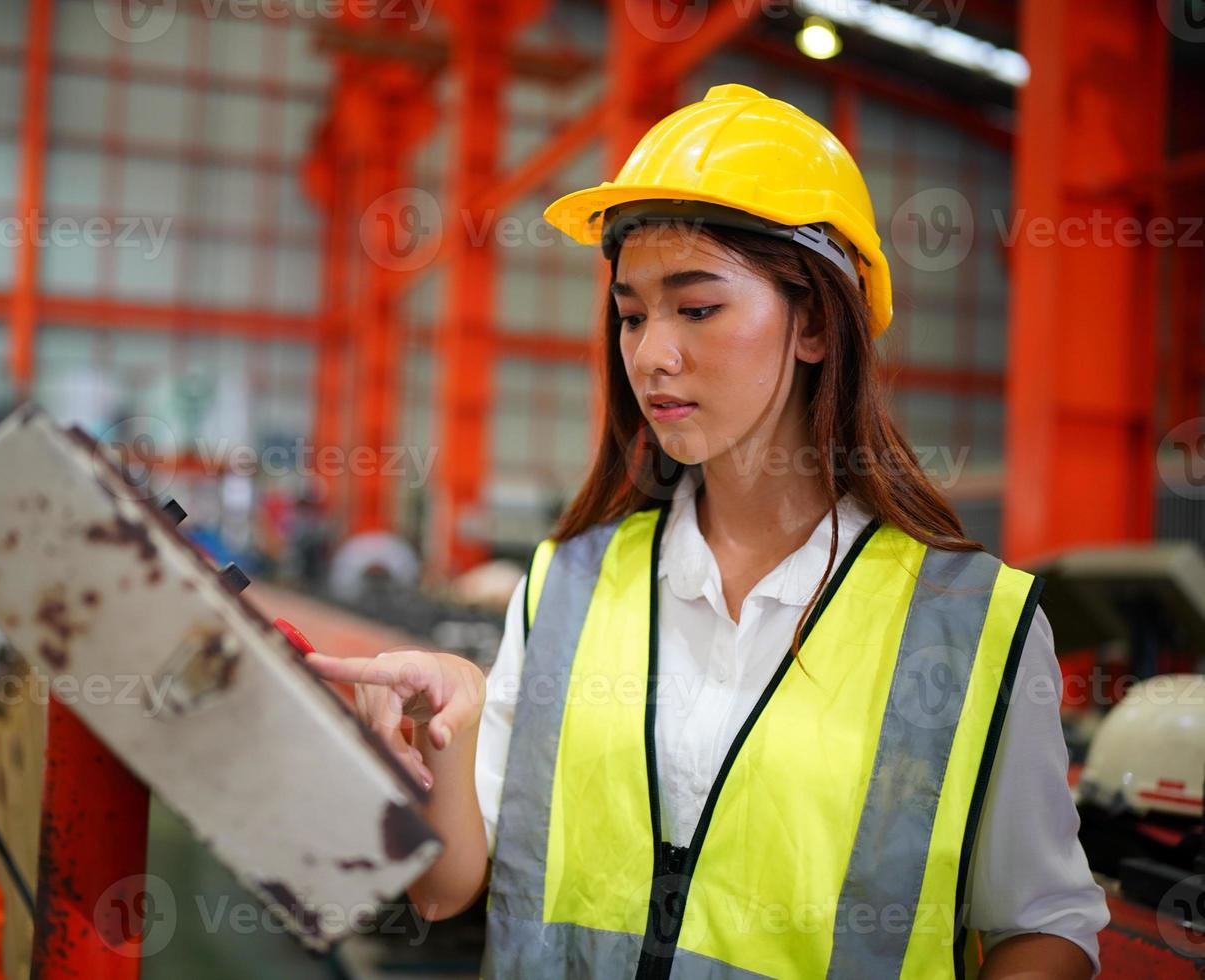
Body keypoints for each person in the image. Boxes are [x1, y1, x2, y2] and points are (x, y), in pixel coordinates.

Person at [306, 85, 1108, 978]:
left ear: (811, 322)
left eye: (696, 309)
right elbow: (445, 888)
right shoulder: (567, 582)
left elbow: (1047, 925)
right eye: (632, 313)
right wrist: (441, 738)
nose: (651, 354)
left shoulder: (972, 627)